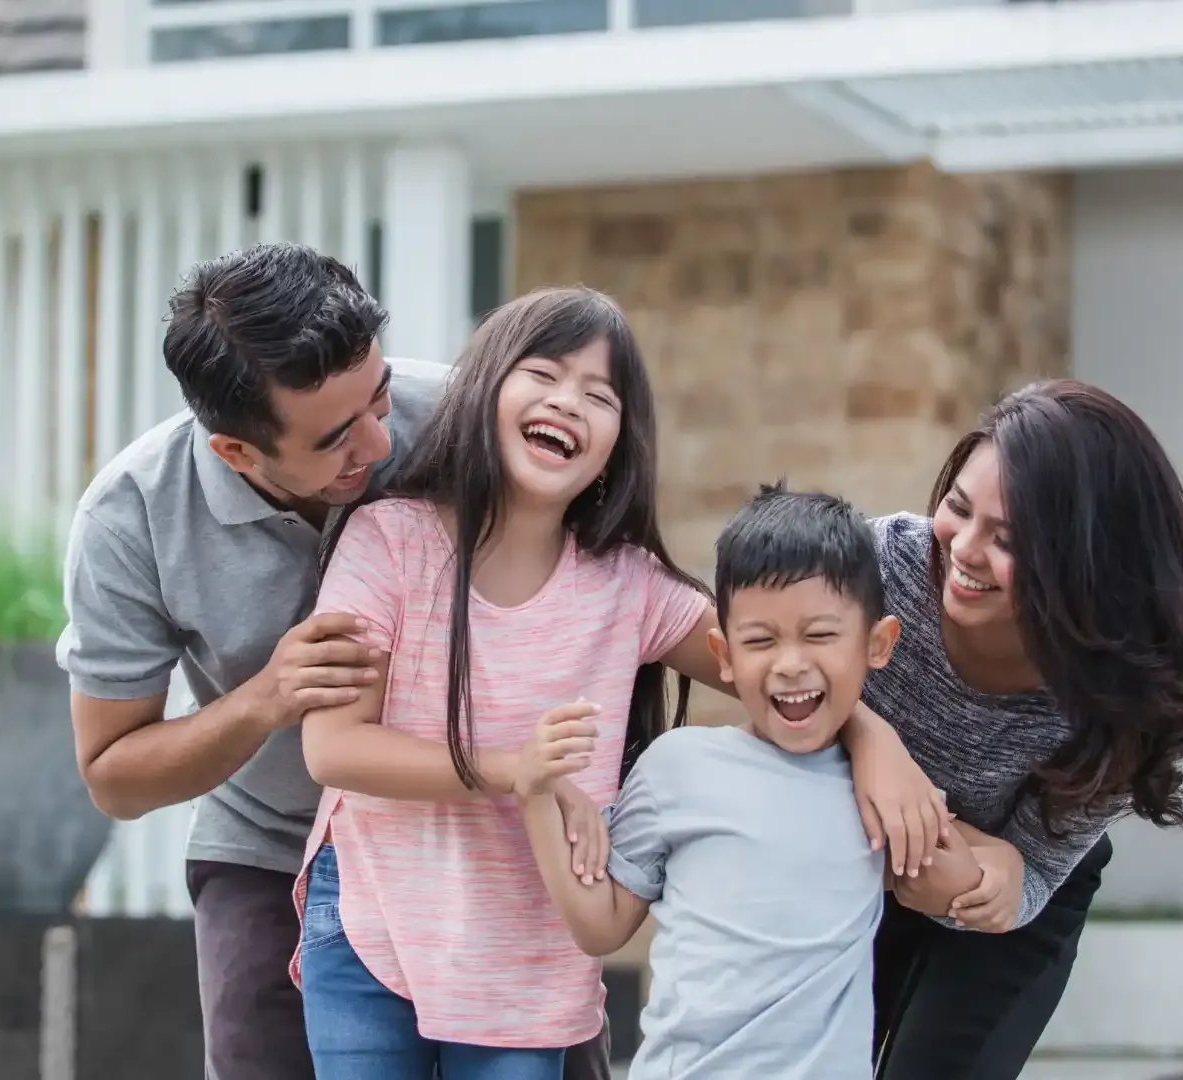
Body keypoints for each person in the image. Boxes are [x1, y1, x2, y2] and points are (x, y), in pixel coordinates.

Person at [287, 289, 949, 1080]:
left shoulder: (629, 585)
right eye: (545, 375)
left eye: (600, 395)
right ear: (484, 388)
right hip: (375, 916)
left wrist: (874, 737)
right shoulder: (389, 539)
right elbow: (332, 747)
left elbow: (768, 663)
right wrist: (512, 770)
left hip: (531, 950)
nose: (569, 403)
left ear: (616, 444)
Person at [57, 243, 475, 1080]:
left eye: (381, 397)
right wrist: (263, 700)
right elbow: (113, 776)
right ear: (237, 454)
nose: (381, 441)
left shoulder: (468, 417)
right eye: (334, 439)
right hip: (275, 847)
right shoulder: (129, 521)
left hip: (472, 832)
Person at [845, 379, 1183, 1078]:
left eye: (1007, 540)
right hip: (855, 864)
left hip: (1013, 894)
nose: (965, 550)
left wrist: (990, 872)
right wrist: (866, 736)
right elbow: (763, 672)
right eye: (958, 509)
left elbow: (1018, 880)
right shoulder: (875, 570)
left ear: (1086, 559)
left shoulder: (1125, 696)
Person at [518, 483, 988, 1080]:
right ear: (723, 654)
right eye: (761, 640)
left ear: (878, 644)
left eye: (820, 635)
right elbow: (601, 924)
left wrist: (1005, 872)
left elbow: (960, 882)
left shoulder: (881, 792)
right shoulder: (676, 768)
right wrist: (534, 796)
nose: (790, 663)